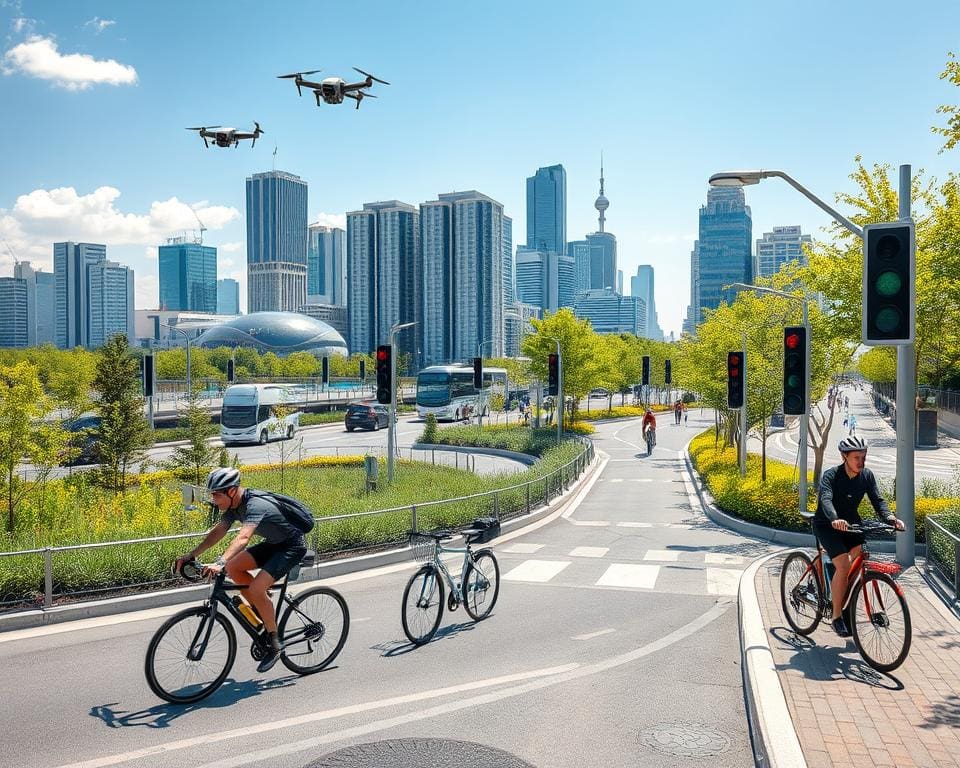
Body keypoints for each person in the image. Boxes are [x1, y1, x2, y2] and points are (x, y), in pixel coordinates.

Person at [174, 468, 308, 673]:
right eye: (212, 494)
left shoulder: (255, 505)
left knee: (254, 588)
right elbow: (218, 532)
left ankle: (274, 643)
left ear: (231, 491)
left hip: (292, 547)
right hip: (274, 543)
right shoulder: (234, 507)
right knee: (233, 567)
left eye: (216, 494)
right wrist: (191, 555)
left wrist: (219, 561)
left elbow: (243, 538)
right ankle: (263, 607)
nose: (213, 499)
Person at [813, 436, 905, 637]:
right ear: (844, 457)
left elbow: (877, 499)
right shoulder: (831, 476)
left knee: (858, 557)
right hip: (828, 524)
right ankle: (836, 616)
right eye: (856, 458)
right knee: (844, 565)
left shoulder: (866, 476)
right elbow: (826, 499)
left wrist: (890, 517)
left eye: (863, 457)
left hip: (852, 525)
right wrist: (834, 518)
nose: (861, 462)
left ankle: (841, 591)